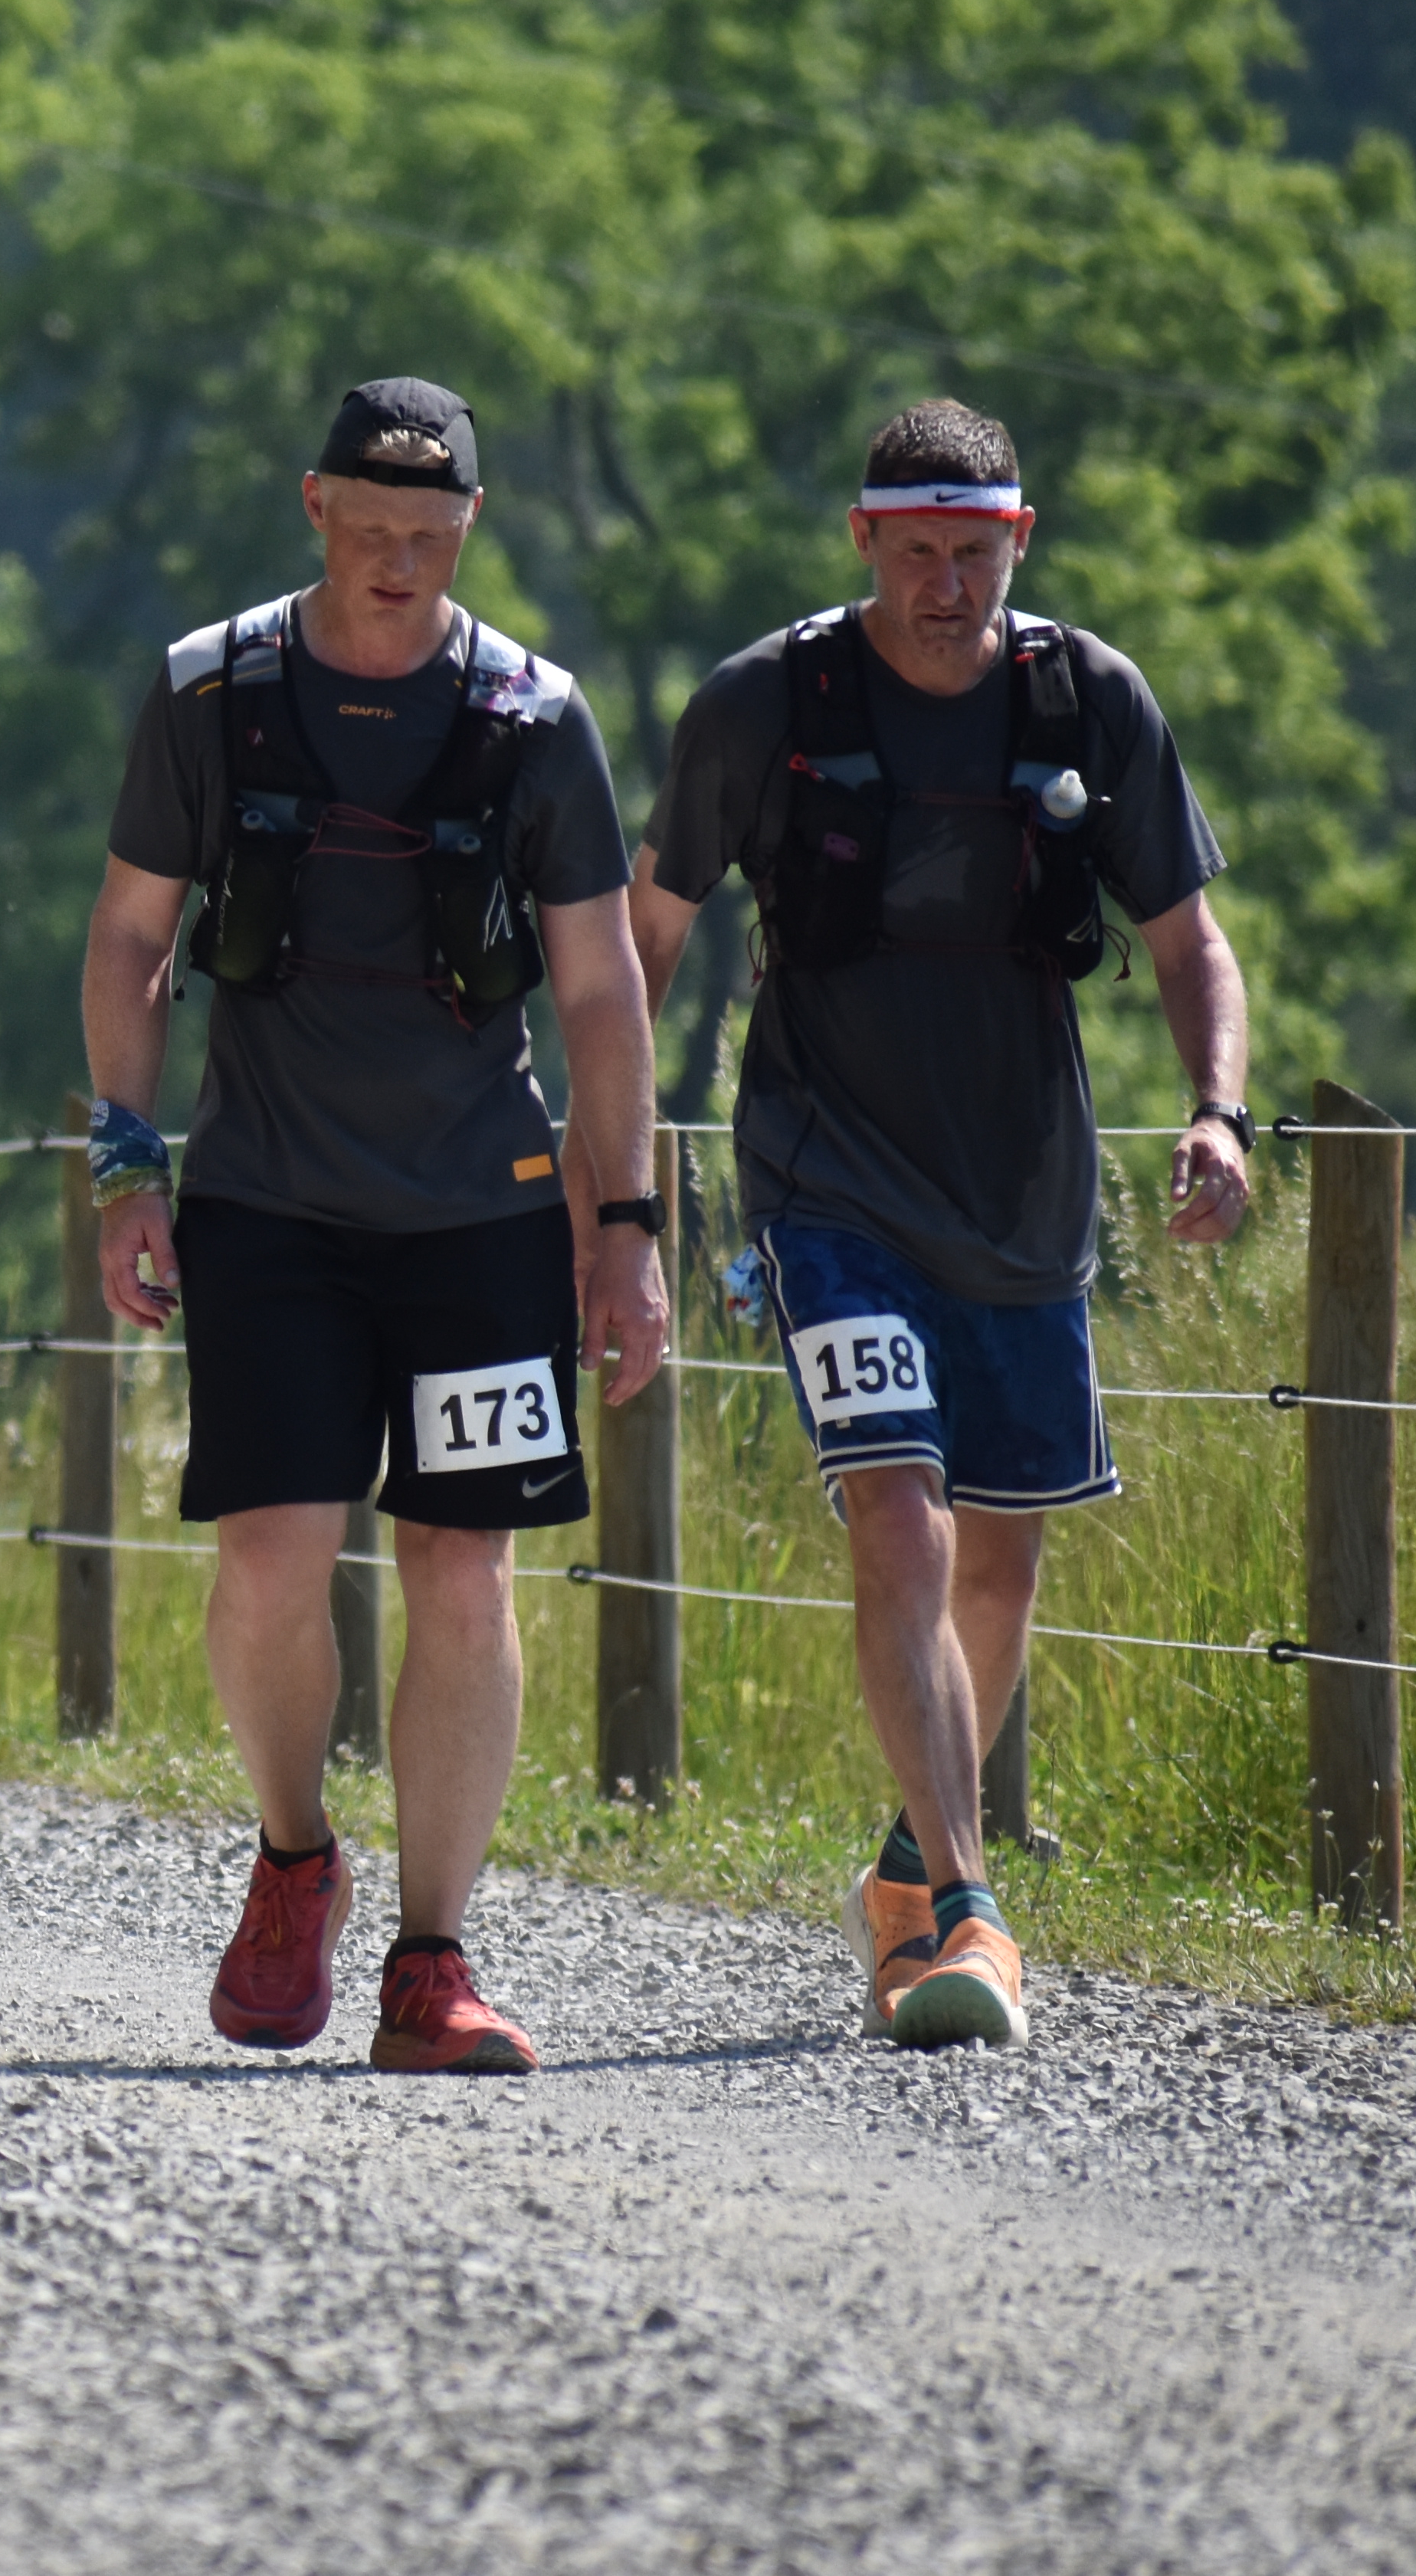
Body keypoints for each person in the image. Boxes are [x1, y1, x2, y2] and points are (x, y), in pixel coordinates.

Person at [628, 398, 1250, 2053]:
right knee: (896, 1514)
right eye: (915, 554)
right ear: (863, 542)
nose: (944, 587)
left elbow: (1193, 941)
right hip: (825, 1182)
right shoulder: (763, 708)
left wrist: (1216, 1107)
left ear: (1019, 543)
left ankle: (911, 1868)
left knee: (1002, 1545)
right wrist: (613, 1178)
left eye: (975, 554)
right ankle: (972, 1907)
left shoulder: (1089, 703)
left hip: (1025, 1194)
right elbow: (643, 941)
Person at [75, 377, 667, 2076]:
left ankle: (435, 1952)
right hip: (264, 1197)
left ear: (468, 529)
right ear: (314, 505)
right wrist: (128, 1168)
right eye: (374, 528)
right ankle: (290, 1859)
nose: (401, 564)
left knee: (460, 1567)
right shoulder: (212, 693)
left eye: (435, 535)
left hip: (482, 1209)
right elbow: (128, 939)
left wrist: (619, 1227)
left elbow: (601, 991)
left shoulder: (534, 718)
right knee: (270, 1558)